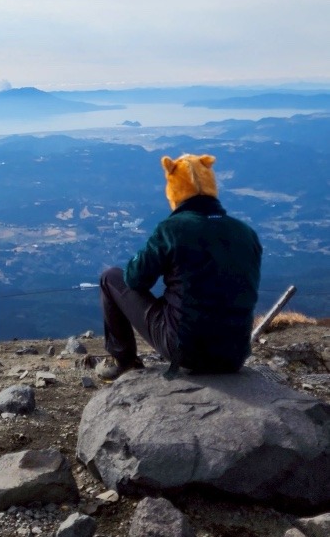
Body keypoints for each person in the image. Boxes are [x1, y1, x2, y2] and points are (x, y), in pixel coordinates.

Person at [99, 153, 262, 380]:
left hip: (186, 350)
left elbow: (135, 279)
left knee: (110, 277)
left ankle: (126, 362)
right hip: (234, 355)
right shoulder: (246, 233)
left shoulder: (173, 229)